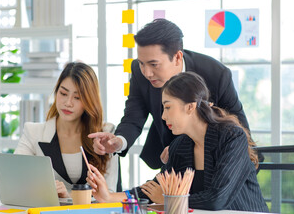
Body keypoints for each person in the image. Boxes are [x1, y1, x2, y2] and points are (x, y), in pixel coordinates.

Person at [86, 72, 268, 212]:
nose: (163, 116)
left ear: (190, 107)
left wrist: (167, 199)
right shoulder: (181, 145)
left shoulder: (232, 137)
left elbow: (217, 198)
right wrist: (110, 196)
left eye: (168, 107)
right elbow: (155, 188)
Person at [88, 19, 250, 169]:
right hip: (167, 159)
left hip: (215, 163)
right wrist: (118, 142)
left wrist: (183, 147)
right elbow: (133, 117)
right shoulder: (139, 71)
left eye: (154, 64)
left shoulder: (216, 75)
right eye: (141, 63)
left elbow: (239, 130)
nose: (147, 73)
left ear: (178, 57)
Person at [14, 62, 118, 198]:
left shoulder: (104, 135)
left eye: (77, 97)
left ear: (89, 101)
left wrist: (68, 196)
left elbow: (109, 194)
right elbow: (15, 181)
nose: (68, 103)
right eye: (63, 93)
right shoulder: (33, 132)